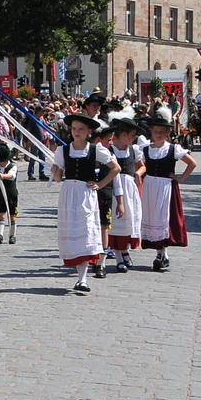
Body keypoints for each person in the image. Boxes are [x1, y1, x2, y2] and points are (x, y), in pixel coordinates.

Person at [53, 113, 120, 293]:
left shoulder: (95, 149)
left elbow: (116, 168)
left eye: (81, 129)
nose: (77, 132)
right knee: (73, 231)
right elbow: (58, 179)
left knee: (86, 231)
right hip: (68, 193)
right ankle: (79, 275)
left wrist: (100, 184)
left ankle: (82, 279)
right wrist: (56, 171)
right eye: (74, 128)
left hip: (85, 193)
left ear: (89, 131)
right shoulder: (62, 150)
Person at [140, 116, 196, 271]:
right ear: (151, 132)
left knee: (164, 217)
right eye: (156, 131)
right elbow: (139, 165)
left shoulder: (173, 149)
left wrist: (179, 179)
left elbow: (192, 163)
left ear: (167, 134)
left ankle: (163, 254)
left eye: (162, 132)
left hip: (166, 187)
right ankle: (160, 252)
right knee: (152, 217)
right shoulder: (145, 149)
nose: (158, 134)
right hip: (150, 185)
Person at [105, 118, 144, 271]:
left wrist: (138, 174)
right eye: (131, 135)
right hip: (114, 187)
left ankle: (125, 250)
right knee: (116, 221)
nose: (133, 138)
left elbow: (141, 166)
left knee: (129, 219)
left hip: (129, 188)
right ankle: (118, 256)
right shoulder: (110, 150)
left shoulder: (133, 150)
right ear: (122, 135)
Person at [0, 141, 22, 246]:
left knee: (12, 215)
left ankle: (12, 235)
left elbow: (11, 176)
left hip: (11, 195)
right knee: (1, 214)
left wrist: (2, 175)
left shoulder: (12, 167)